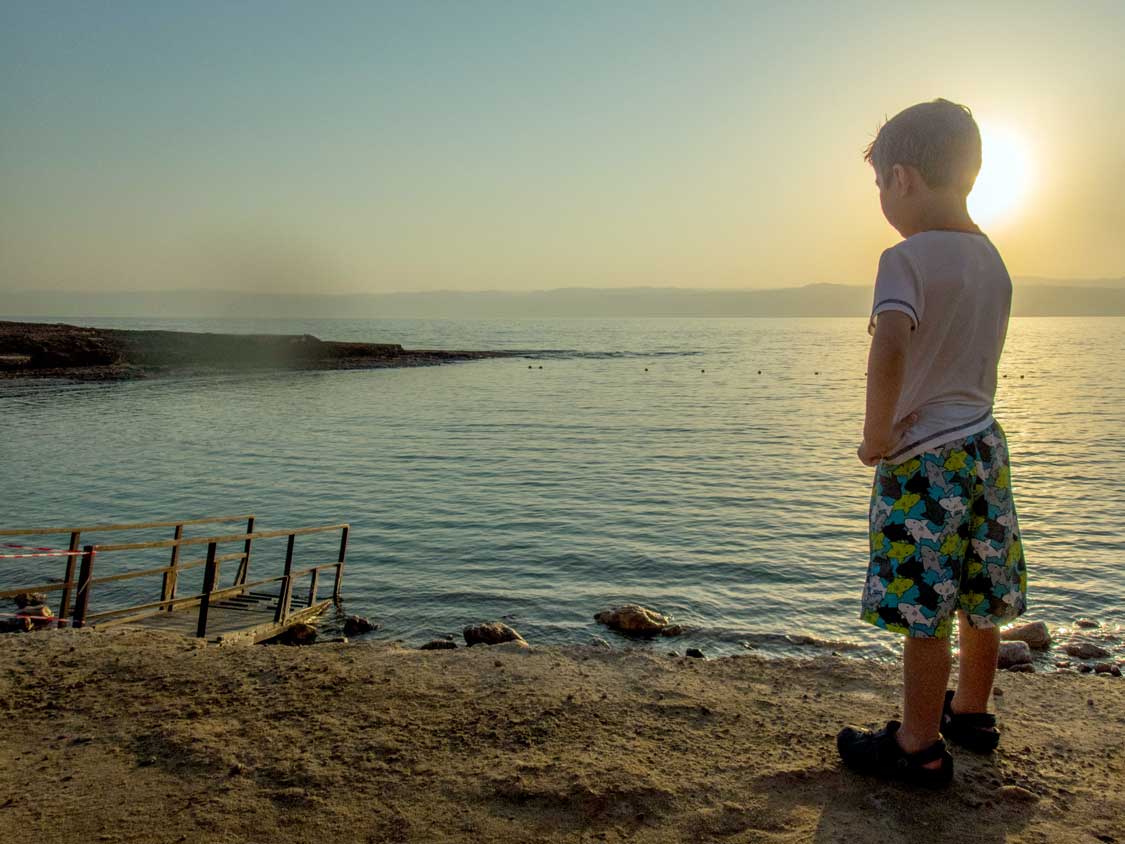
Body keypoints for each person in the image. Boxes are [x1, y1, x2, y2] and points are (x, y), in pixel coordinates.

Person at [835, 99, 1028, 788]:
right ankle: (971, 713)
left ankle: (916, 746)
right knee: (979, 592)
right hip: (983, 446)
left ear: (902, 179)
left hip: (924, 458)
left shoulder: (904, 258)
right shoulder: (992, 260)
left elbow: (890, 345)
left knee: (924, 605)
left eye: (880, 185)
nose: (882, 201)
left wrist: (875, 433)